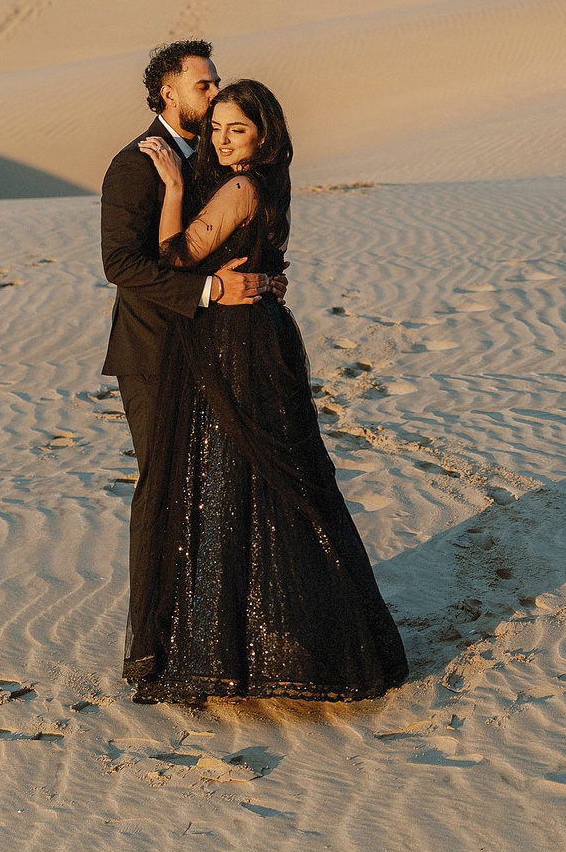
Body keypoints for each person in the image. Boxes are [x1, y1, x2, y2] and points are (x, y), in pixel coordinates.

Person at [123, 78, 409, 703]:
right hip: (257, 333)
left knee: (232, 478)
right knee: (264, 480)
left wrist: (172, 187)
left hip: (235, 342)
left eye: (237, 130)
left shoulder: (243, 187)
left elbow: (173, 256)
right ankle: (279, 636)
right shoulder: (268, 180)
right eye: (216, 128)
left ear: (263, 135)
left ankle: (245, 647)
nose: (222, 141)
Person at [98, 41, 285, 482]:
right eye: (203, 85)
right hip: (155, 349)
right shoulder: (135, 164)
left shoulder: (218, 153)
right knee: (162, 484)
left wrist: (265, 277)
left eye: (217, 82)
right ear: (170, 94)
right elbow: (120, 264)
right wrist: (213, 289)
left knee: (210, 483)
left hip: (212, 347)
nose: (215, 91)